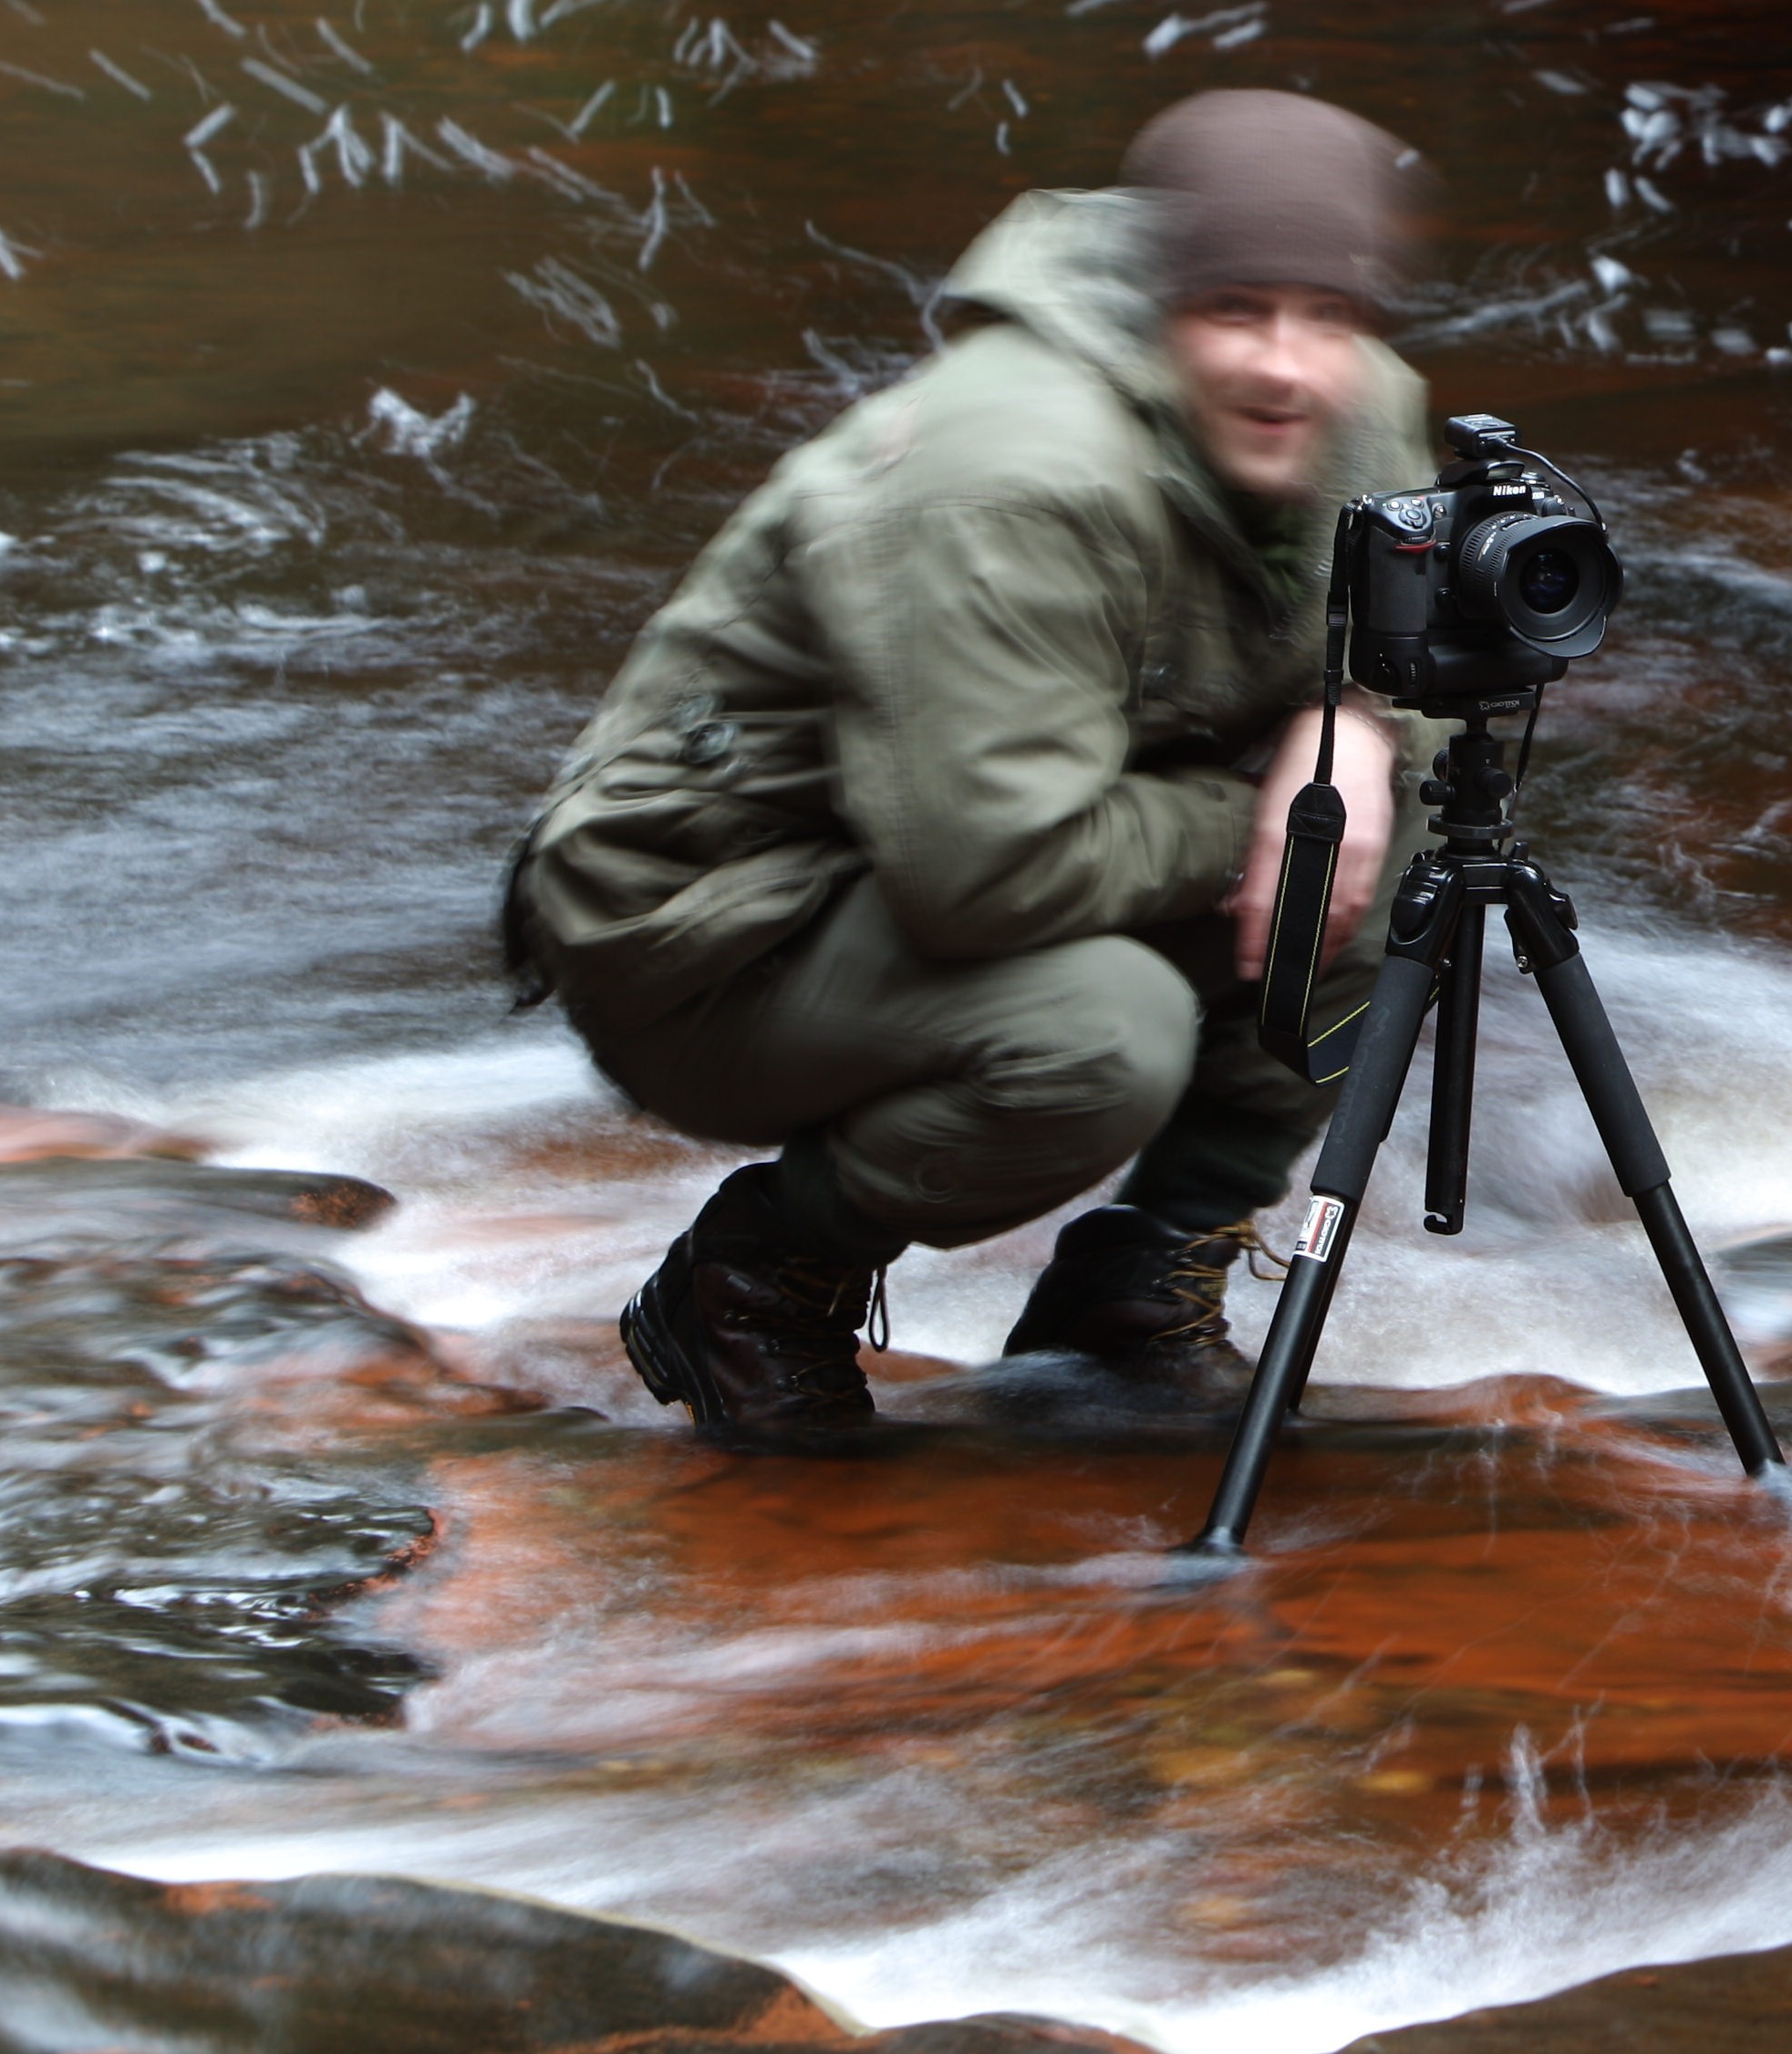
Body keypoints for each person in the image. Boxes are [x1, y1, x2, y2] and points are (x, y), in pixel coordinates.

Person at [502, 89, 1433, 1454]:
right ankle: (752, 1282)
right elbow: (989, 874)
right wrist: (1274, 815)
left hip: (964, 853)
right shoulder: (1014, 464)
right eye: (1239, 310)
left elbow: (1441, 664)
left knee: (1398, 866)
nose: (1288, 366)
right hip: (710, 932)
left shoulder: (1357, 415)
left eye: (1328, 317)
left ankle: (1136, 1283)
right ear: (1158, 302)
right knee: (1101, 1035)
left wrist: (1359, 719)